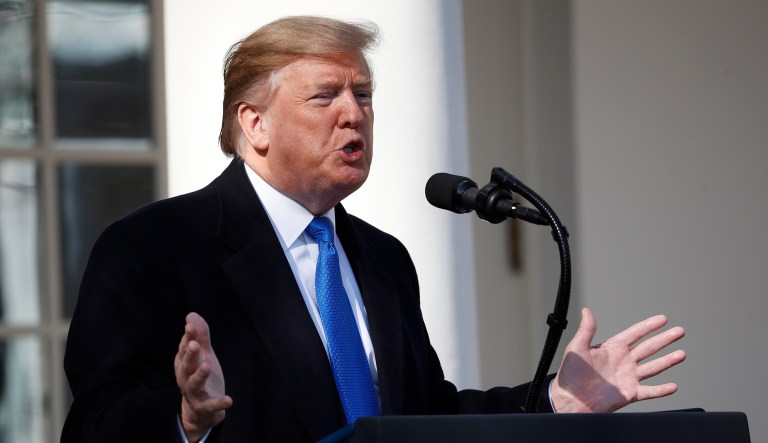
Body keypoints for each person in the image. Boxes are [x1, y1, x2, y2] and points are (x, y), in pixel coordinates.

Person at [61, 16, 686, 443]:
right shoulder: (153, 248)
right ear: (254, 124)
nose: (353, 114)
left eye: (362, 94)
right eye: (324, 97)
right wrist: (184, 419)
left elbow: (424, 416)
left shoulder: (383, 258)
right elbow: (94, 424)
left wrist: (555, 400)